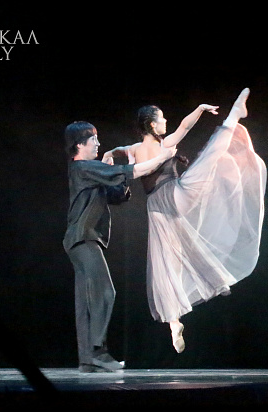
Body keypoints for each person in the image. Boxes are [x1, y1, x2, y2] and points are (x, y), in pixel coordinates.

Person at [103, 88, 266, 353]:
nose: (166, 121)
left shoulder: (136, 148)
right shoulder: (164, 144)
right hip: (174, 196)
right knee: (209, 160)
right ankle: (234, 115)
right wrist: (200, 109)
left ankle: (175, 320)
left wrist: (110, 153)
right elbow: (185, 127)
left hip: (155, 206)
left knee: (167, 263)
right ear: (152, 124)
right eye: (162, 118)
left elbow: (121, 149)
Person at [63, 120, 176, 373]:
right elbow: (132, 172)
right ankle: (99, 353)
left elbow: (117, 195)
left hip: (82, 239)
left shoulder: (91, 170)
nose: (98, 144)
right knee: (105, 292)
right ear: (80, 144)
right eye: (93, 140)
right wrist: (162, 158)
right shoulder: (82, 167)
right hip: (83, 238)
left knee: (86, 302)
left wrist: (116, 172)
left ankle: (87, 361)